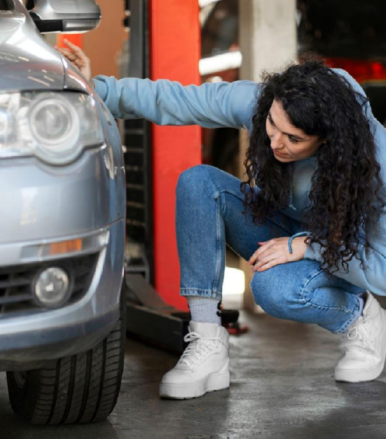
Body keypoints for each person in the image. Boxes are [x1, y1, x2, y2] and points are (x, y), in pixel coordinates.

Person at [57, 40, 386, 400]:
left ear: (328, 141)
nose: (275, 142)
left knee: (273, 289)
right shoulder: (266, 106)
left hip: (341, 256)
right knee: (199, 182)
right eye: (272, 126)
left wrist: (308, 246)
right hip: (284, 230)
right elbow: (181, 100)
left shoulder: (375, 164)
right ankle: (207, 342)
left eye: (294, 139)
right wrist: (96, 88)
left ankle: (360, 317)